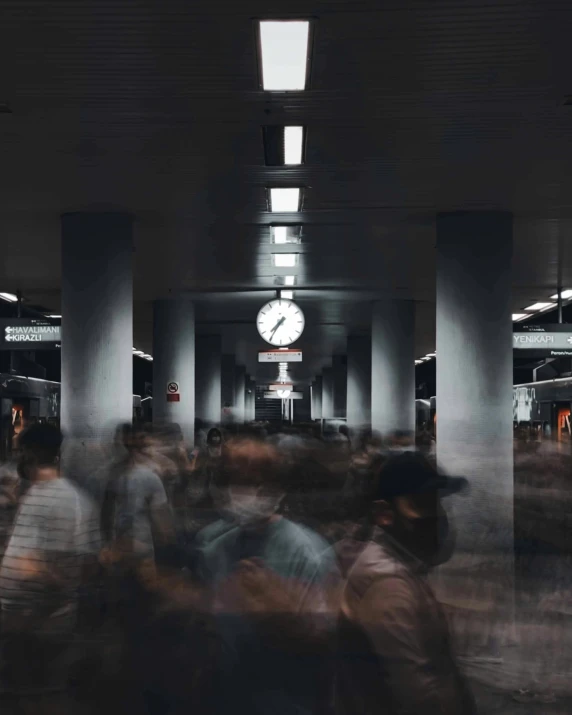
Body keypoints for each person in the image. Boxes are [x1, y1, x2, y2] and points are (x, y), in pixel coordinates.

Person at [197, 437, 339, 715]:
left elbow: (324, 648)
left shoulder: (308, 553)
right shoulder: (213, 548)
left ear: (276, 489)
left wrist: (274, 612)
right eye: (233, 481)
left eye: (253, 483)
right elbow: (209, 634)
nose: (241, 492)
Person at [336, 451, 476, 715]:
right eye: (421, 504)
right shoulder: (386, 581)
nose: (437, 517)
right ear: (384, 513)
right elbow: (419, 695)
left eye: (437, 503)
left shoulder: (402, 565)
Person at [0, 423, 100, 699]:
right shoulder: (32, 493)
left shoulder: (67, 499)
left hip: (42, 629)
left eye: (20, 451)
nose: (15, 457)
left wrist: (35, 571)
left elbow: (81, 572)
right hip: (18, 624)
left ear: (33, 453)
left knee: (43, 700)